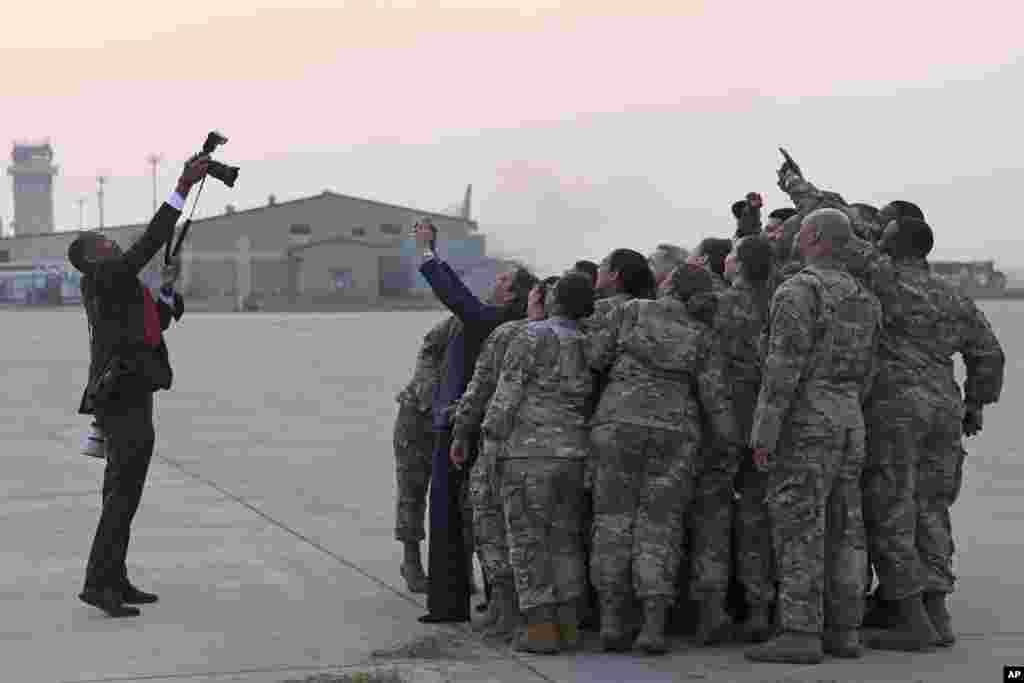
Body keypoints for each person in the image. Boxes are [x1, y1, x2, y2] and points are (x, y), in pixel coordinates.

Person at [841, 216, 1004, 651]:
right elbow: (989, 354)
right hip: (944, 409)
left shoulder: (884, 276)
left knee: (890, 508)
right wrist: (974, 404)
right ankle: (937, 612)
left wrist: (798, 187)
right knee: (932, 509)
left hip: (897, 409)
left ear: (895, 244)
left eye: (885, 234)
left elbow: (837, 228)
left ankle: (909, 618)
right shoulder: (954, 296)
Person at [69, 154, 207, 618]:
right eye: (105, 242)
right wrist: (182, 188)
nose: (113, 243)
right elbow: (149, 241)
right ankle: (98, 583)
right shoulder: (103, 276)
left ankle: (113, 577)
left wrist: (167, 290)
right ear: (92, 257)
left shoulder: (116, 286)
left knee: (124, 494)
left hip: (131, 392)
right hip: (122, 397)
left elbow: (155, 326)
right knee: (121, 495)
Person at [746, 208, 882, 664]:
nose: (794, 237)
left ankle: (801, 632)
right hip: (847, 416)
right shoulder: (864, 296)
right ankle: (844, 630)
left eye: (801, 232)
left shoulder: (799, 290)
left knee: (799, 526)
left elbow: (782, 368)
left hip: (806, 419)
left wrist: (765, 432)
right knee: (846, 528)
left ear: (818, 239)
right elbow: (869, 371)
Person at [588, 263, 741, 654]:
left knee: (612, 520)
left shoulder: (629, 311)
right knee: (660, 525)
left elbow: (595, 357)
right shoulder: (702, 334)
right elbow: (715, 400)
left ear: (668, 285)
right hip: (676, 432)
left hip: (618, 423)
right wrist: (731, 444)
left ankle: (612, 621)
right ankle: (653, 626)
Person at [461, 272, 595, 654]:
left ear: (554, 300)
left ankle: (539, 626)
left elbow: (507, 393)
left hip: (527, 453)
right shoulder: (589, 342)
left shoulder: (529, 336)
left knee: (527, 541)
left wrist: (489, 440)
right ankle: (568, 624)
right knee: (565, 540)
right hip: (573, 453)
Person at [414, 220, 537, 624]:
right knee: (481, 517)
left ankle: (451, 604)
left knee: (454, 515)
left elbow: (457, 297)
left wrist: (429, 252)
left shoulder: (493, 319)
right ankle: (479, 599)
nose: (496, 282)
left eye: (503, 279)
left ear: (513, 294)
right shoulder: (503, 322)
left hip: (460, 426)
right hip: (480, 426)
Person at [451, 275, 559, 642]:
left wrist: (463, 431)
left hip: (507, 445)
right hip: (563, 451)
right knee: (552, 537)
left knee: (491, 525)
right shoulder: (582, 337)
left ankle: (505, 610)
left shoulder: (511, 334)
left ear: (540, 301)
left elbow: (482, 387)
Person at [691, 235, 776, 645]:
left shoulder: (715, 305)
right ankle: (759, 610)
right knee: (757, 521)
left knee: (712, 518)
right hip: (765, 422)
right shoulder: (781, 302)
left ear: (737, 264)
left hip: (721, 422)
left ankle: (712, 612)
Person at [393, 314, 458, 593]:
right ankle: (411, 563)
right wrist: (431, 397)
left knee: (455, 499)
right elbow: (429, 348)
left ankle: (456, 568)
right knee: (413, 491)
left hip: (452, 419)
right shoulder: (459, 321)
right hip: (419, 415)